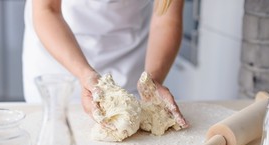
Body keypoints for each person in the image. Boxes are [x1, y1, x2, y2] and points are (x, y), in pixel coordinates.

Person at [22, 0, 188, 128]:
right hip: (59, 56)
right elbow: (47, 10)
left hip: (129, 56)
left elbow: (165, 16)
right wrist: (84, 74)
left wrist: (151, 80)